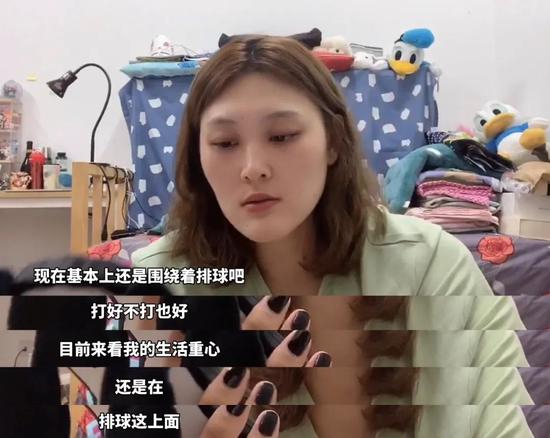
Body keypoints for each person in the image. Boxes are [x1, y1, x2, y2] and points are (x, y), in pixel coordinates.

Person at [133, 35, 533, 438]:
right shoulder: (156, 283)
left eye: (281, 136)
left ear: (333, 142)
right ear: (198, 158)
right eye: (224, 143)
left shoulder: (432, 262)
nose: (253, 168)